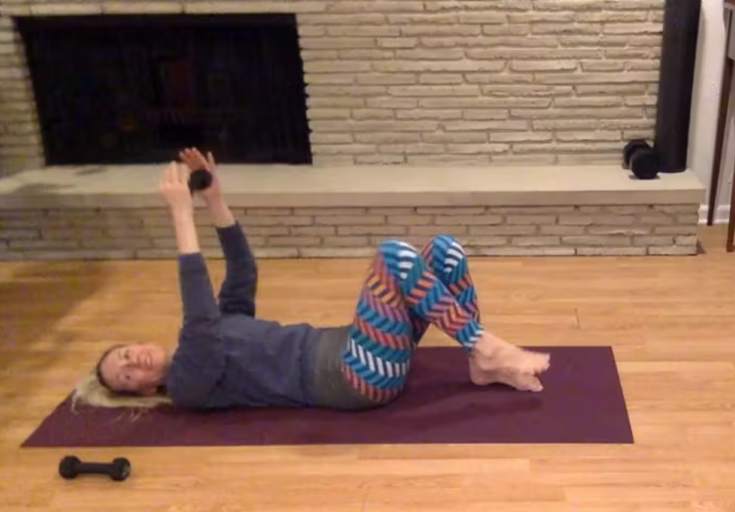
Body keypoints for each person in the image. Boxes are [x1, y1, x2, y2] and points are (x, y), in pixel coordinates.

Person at [74, 148, 551, 411]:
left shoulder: (216, 328)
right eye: (126, 374)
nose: (132, 361)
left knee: (444, 250)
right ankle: (484, 345)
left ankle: (480, 361)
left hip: (357, 345)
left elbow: (241, 274)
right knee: (393, 258)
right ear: (138, 391)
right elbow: (198, 313)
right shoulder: (186, 384)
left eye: (123, 354)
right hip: (351, 379)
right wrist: (180, 216)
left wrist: (213, 202)